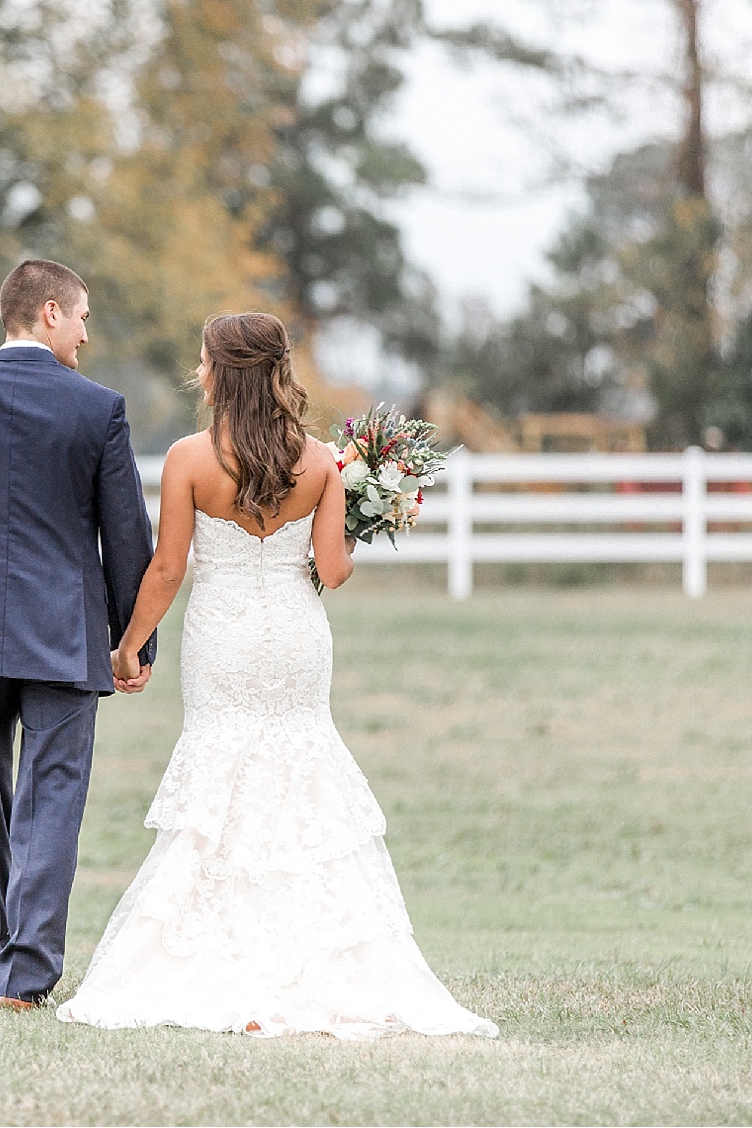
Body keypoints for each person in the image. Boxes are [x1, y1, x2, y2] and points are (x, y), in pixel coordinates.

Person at [56, 311, 498, 1040]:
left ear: (219, 372)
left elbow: (167, 569)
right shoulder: (321, 460)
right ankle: (315, 956)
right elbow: (332, 570)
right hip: (296, 640)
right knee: (302, 770)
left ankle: (217, 956)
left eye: (201, 359)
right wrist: (357, 517)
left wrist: (128, 644)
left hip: (223, 640)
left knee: (223, 772)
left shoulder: (190, 458)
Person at [0, 258, 157, 1010]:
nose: (85, 331)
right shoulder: (98, 408)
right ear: (47, 312)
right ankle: (26, 971)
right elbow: (126, 538)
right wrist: (133, 640)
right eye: (80, 315)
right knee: (53, 798)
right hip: (65, 638)